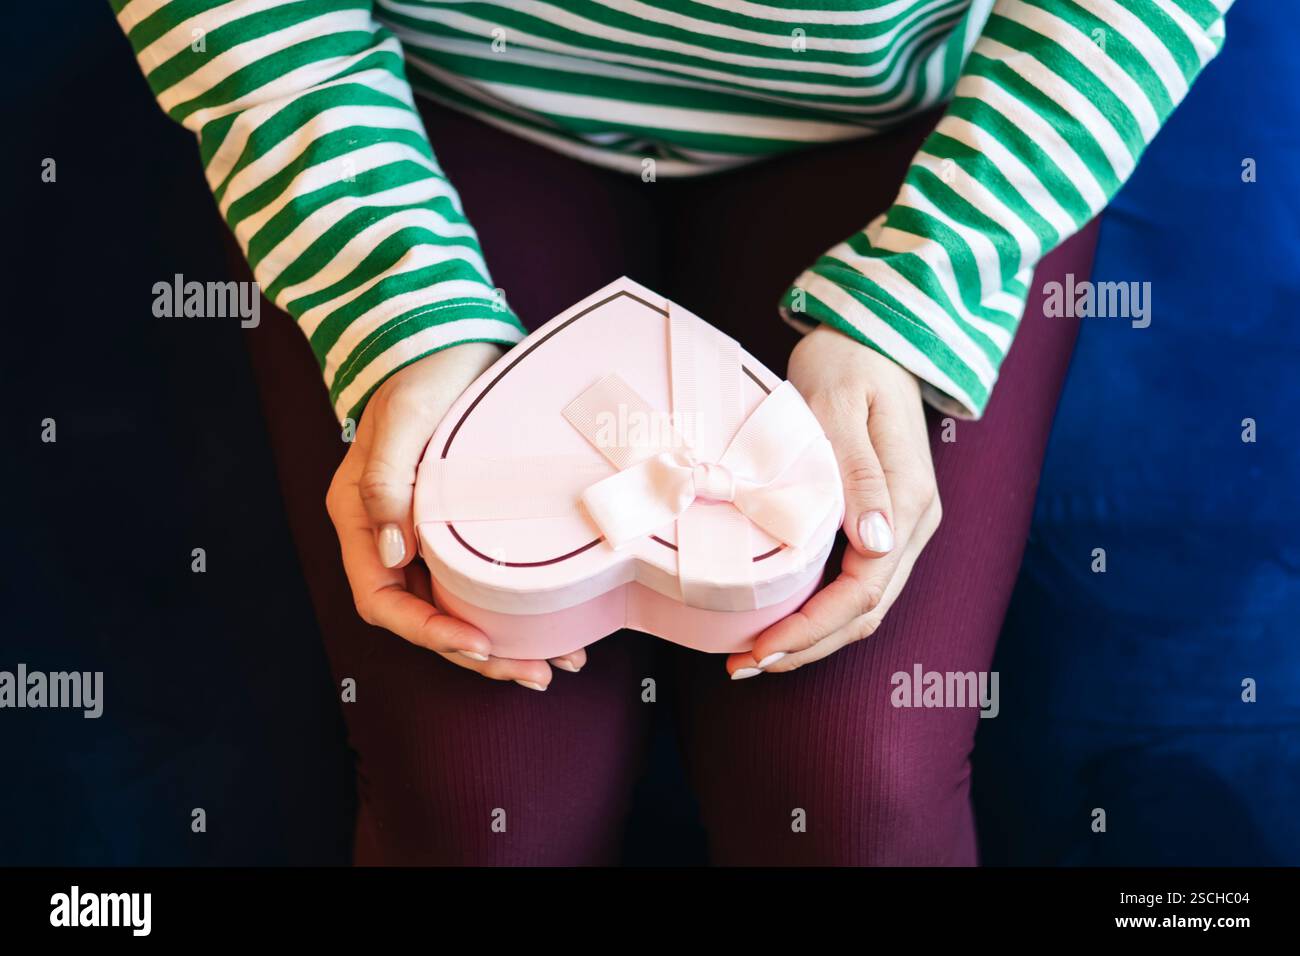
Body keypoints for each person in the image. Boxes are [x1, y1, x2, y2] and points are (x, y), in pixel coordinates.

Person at [113, 0, 1232, 864]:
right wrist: (399, 313)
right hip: (430, 95)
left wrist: (917, 296)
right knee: (484, 804)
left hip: (913, 130)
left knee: (853, 789)